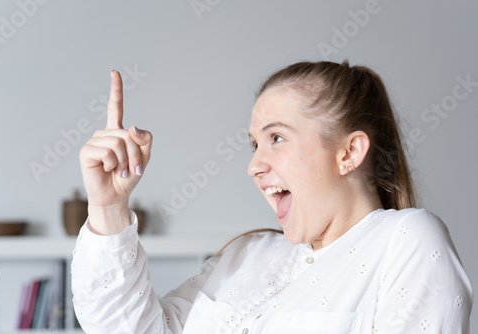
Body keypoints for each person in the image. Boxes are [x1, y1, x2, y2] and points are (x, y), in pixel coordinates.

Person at [71, 61, 473, 333]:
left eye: (276, 138)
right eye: (254, 145)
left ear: (349, 153)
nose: (254, 166)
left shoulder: (406, 241)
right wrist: (107, 207)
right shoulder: (246, 254)